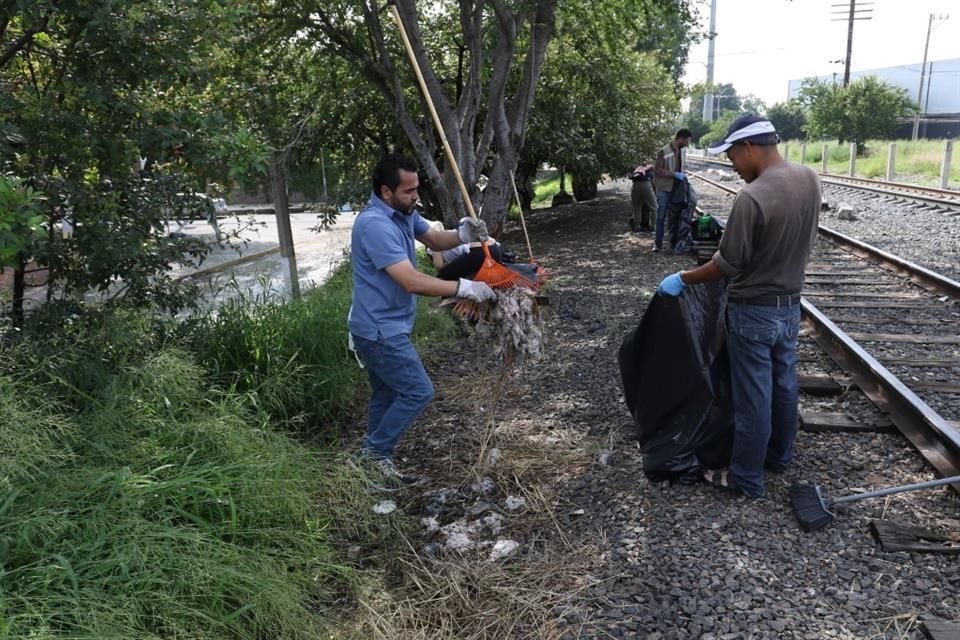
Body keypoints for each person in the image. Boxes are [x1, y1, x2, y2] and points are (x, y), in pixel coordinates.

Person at [656, 115, 822, 498]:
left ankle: (745, 476)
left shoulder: (753, 196)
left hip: (753, 311)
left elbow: (726, 264)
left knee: (753, 397)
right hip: (789, 306)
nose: (731, 163)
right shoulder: (809, 178)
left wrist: (683, 278)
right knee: (785, 385)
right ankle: (779, 457)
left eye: (731, 155)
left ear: (749, 148)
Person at [348, 153, 497, 485]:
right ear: (386, 192)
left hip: (383, 326)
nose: (416, 196)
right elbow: (411, 281)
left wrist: (463, 234)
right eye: (409, 191)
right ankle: (374, 453)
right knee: (418, 391)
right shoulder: (374, 225)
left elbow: (432, 239)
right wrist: (463, 287)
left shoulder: (403, 214)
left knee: (385, 394)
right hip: (378, 330)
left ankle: (372, 461)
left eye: (417, 189)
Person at [652, 128, 692, 252]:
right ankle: (657, 244)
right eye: (686, 141)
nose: (687, 144)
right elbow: (657, 170)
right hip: (665, 189)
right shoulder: (664, 151)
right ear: (681, 138)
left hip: (677, 189)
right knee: (661, 216)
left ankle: (673, 243)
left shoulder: (681, 152)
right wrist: (674, 174)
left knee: (675, 216)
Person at [629, 163, 656, 232]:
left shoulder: (637, 168)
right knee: (654, 207)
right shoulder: (650, 169)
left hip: (635, 185)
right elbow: (654, 184)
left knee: (637, 207)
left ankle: (636, 227)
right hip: (646, 184)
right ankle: (654, 227)